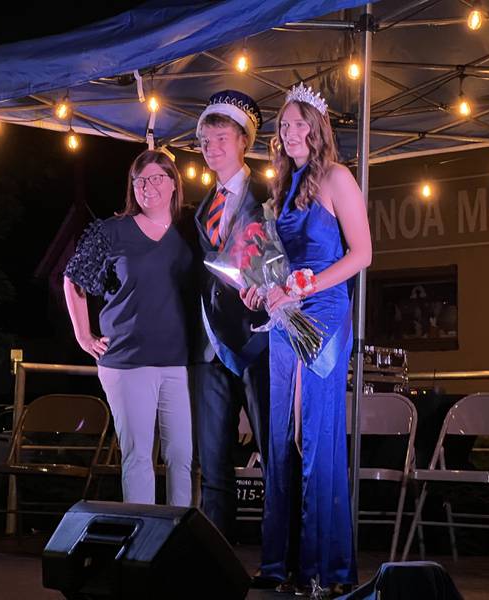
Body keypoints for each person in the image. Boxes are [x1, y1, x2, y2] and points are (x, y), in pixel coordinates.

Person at [242, 83, 372, 593]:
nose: (290, 131)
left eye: (299, 123)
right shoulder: (281, 188)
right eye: (284, 125)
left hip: (323, 309)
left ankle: (327, 571)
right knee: (281, 438)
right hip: (285, 313)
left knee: (314, 435)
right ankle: (280, 565)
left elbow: (362, 254)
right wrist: (262, 288)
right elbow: (272, 260)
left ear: (318, 129)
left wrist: (309, 282)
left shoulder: (338, 177)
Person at [62, 149, 194, 507]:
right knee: (138, 458)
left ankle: (179, 540)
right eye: (140, 180)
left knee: (182, 457)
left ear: (173, 184)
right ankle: (142, 542)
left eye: (156, 178)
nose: (148, 187)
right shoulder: (112, 231)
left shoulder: (188, 231)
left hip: (178, 362)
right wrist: (83, 335)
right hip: (127, 361)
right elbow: (73, 280)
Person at [192, 90, 270, 540]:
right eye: (204, 141)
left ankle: (280, 559)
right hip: (208, 347)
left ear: (244, 141)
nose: (211, 148)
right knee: (214, 459)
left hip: (258, 342)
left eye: (221, 138)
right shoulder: (201, 207)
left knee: (273, 454)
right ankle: (213, 559)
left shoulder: (268, 196)